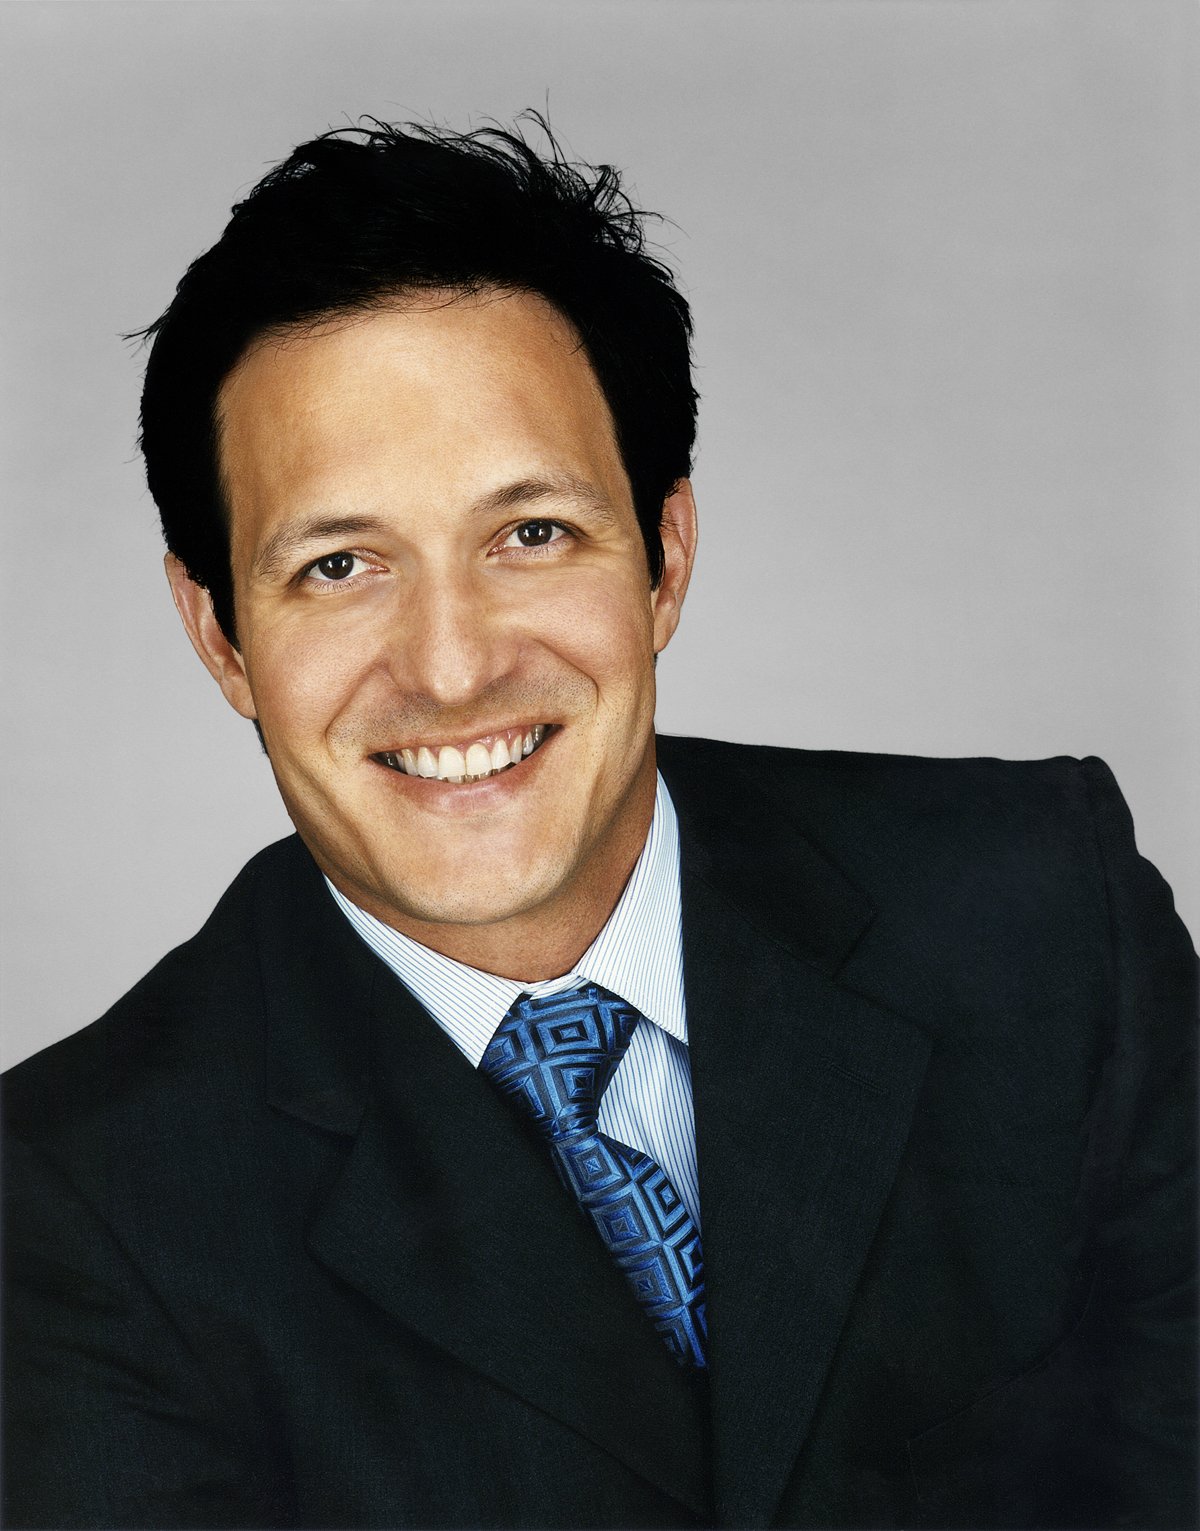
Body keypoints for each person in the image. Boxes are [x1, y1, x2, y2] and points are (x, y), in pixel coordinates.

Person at [2, 117, 1195, 1531]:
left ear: (664, 556)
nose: (452, 668)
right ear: (220, 637)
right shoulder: (70, 1207)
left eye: (532, 535)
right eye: (339, 565)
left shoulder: (1046, 914)